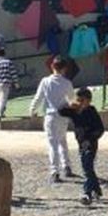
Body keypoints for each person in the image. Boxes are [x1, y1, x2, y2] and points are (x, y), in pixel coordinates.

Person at [29, 56, 77, 184]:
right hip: (63, 116)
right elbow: (72, 100)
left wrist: (32, 109)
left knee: (53, 144)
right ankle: (67, 166)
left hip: (50, 116)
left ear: (52, 67)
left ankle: (54, 171)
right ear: (64, 69)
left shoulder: (45, 81)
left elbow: (38, 97)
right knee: (63, 141)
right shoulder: (67, 83)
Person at [58, 87, 105, 206]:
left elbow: (100, 129)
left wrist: (91, 138)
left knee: (87, 168)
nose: (79, 102)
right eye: (78, 100)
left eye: (82, 100)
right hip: (81, 143)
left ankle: (87, 193)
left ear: (88, 101)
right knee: (88, 167)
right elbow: (61, 111)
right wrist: (70, 105)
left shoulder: (92, 111)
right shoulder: (75, 111)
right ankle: (97, 189)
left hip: (90, 144)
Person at [0, 48, 20, 130]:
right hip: (5, 83)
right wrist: (16, 84)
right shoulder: (8, 62)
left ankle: (1, 113)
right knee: (3, 99)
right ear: (4, 54)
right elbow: (13, 73)